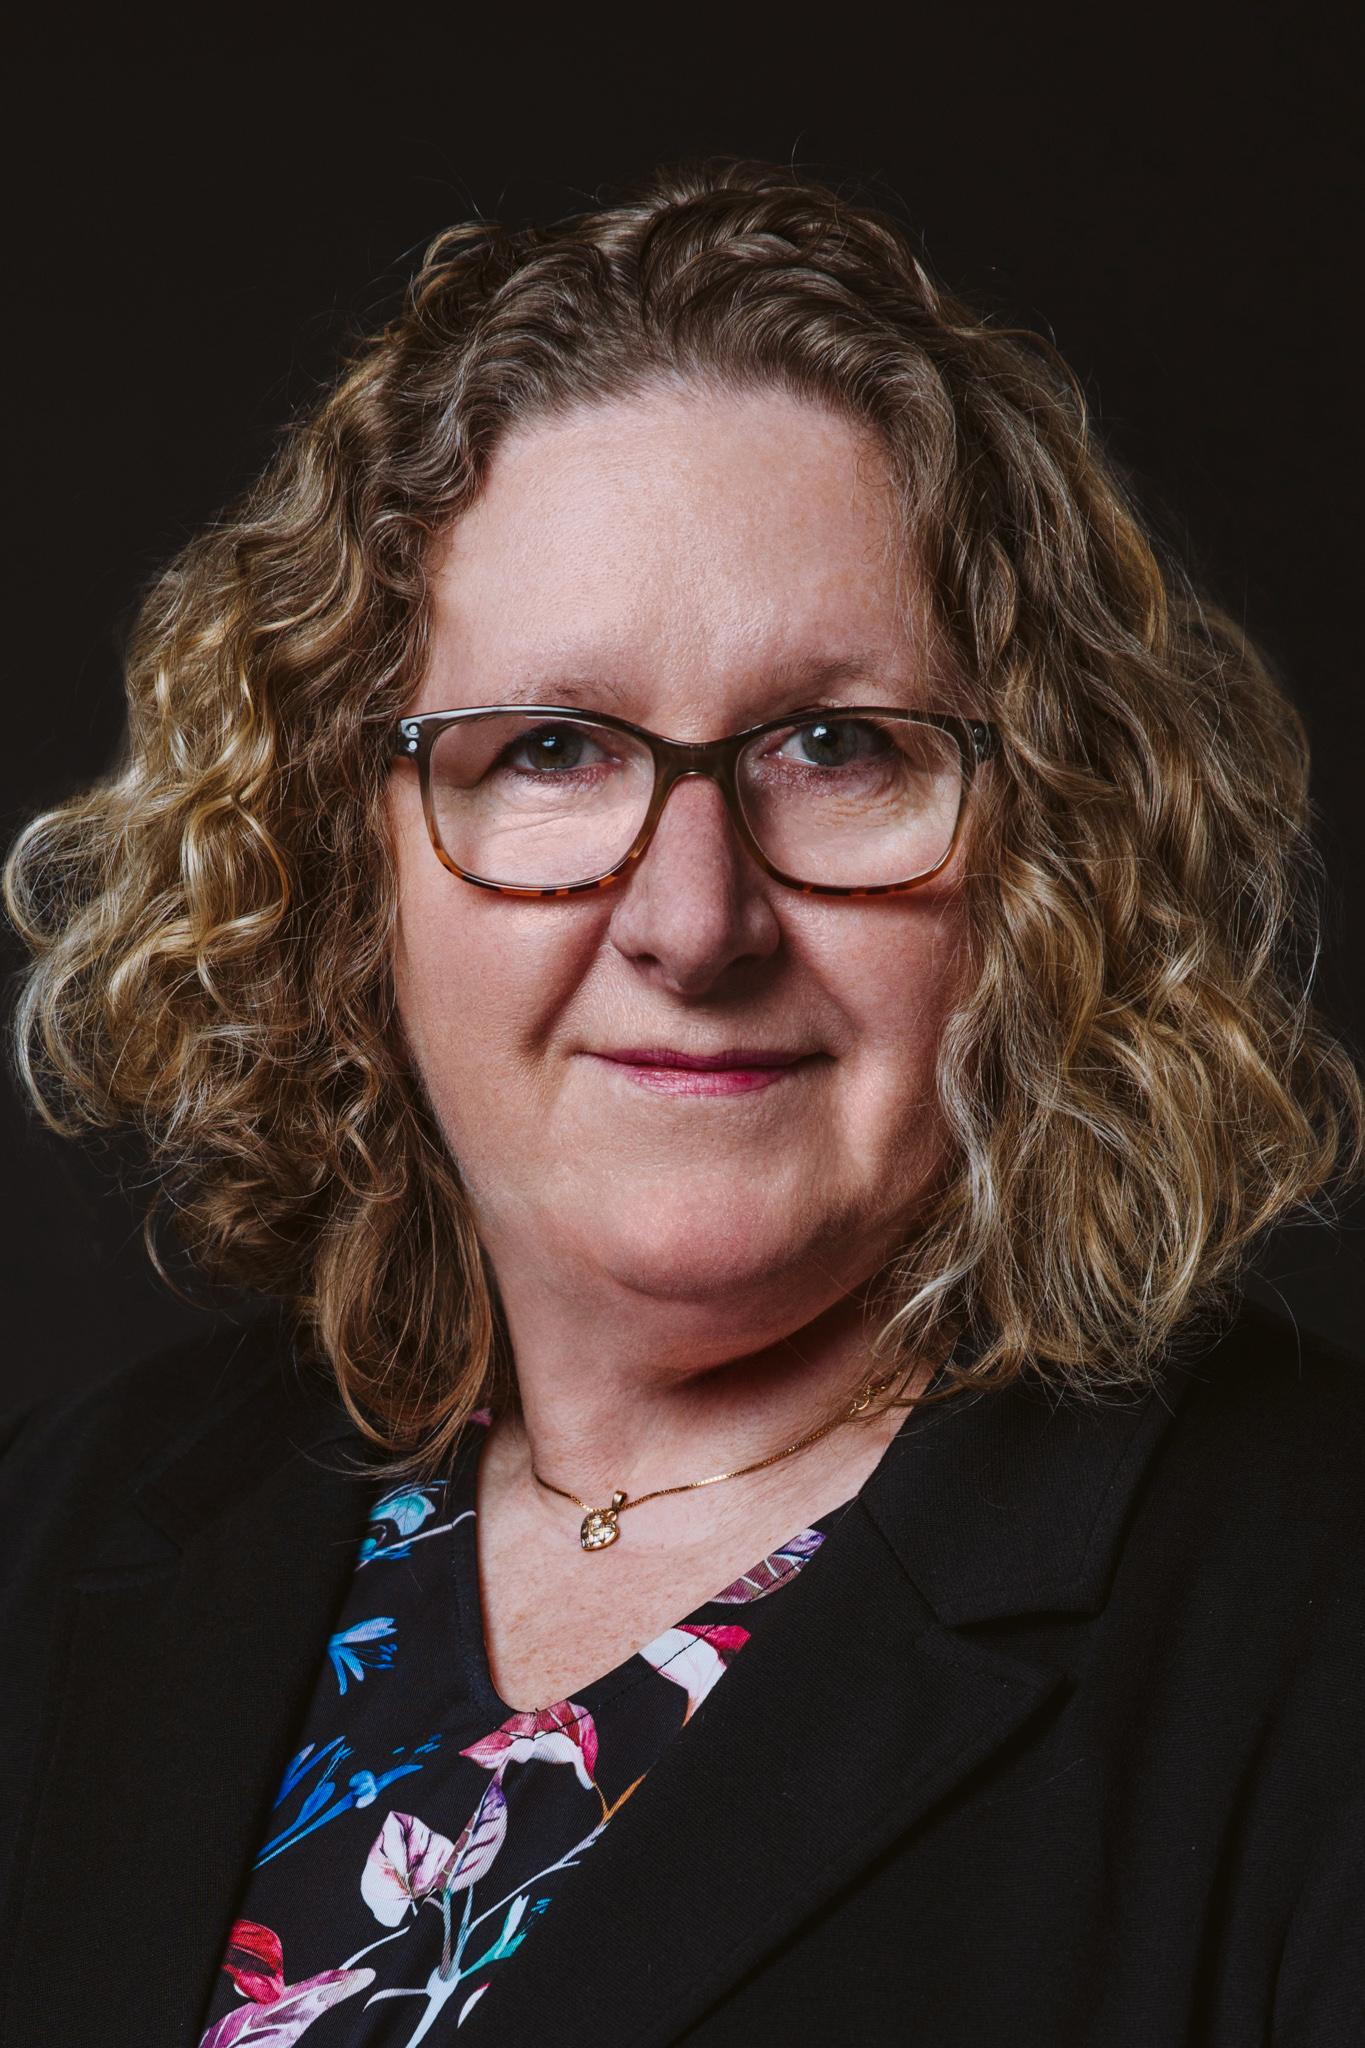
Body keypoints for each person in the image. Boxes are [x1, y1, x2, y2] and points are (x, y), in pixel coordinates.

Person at [2, 160, 1362, 2048]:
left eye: (837, 746)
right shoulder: (52, 1533)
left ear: (1054, 845)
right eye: (550, 748)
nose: (693, 919)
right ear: (343, 853)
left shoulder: (1312, 1622)